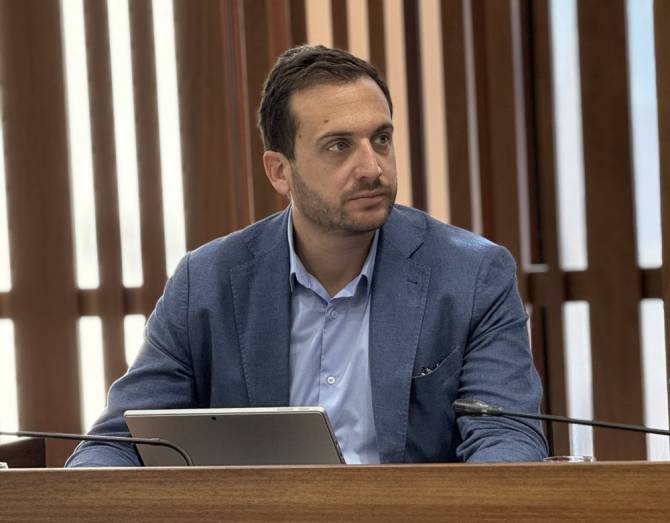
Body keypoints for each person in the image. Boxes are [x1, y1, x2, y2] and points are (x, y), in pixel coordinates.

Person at [66, 45, 547, 467]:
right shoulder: (207, 283)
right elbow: (117, 443)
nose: (372, 167)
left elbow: (508, 438)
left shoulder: (471, 275)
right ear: (280, 171)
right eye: (339, 146)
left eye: (381, 138)